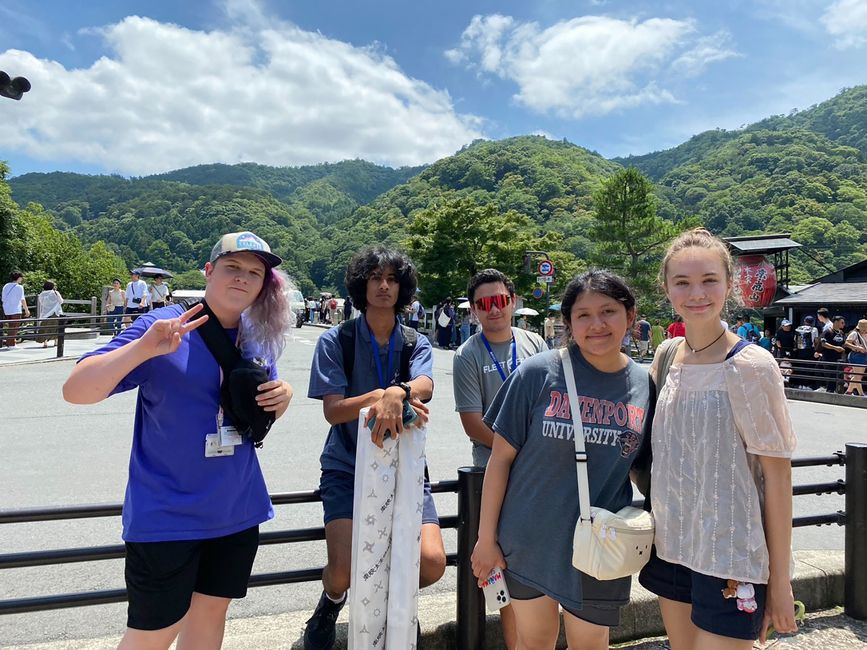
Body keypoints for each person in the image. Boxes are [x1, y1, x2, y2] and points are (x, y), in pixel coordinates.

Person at [62, 230, 295, 650]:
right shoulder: (162, 325)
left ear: (263, 285)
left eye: (254, 273)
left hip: (237, 509)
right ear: (208, 271)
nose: (242, 278)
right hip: (166, 515)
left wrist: (284, 397)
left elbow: (258, 408)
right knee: (152, 634)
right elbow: (76, 390)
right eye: (232, 267)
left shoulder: (256, 337)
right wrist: (142, 349)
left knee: (210, 619)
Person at [471, 269, 652, 650]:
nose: (596, 324)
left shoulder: (644, 385)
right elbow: (500, 461)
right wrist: (486, 539)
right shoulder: (538, 373)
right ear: (568, 322)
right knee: (534, 641)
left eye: (608, 311)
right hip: (530, 538)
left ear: (630, 315)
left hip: (602, 542)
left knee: (591, 643)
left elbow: (642, 467)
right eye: (583, 315)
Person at [639, 228, 797, 648]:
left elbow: (777, 477)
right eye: (683, 282)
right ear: (666, 288)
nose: (697, 294)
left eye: (709, 280)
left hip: (731, 555)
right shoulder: (666, 356)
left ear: (729, 284)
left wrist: (779, 581)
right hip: (671, 546)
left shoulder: (751, 365)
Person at [304, 245, 445, 650]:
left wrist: (397, 392)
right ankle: (331, 602)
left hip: (405, 466)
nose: (384, 286)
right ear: (360, 285)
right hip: (346, 465)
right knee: (345, 570)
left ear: (403, 289)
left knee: (433, 563)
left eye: (392, 279)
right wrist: (382, 396)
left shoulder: (414, 340)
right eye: (375, 278)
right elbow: (333, 412)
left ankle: (394, 606)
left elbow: (427, 385)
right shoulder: (337, 340)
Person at [453, 269, 547, 649]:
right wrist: (517, 451)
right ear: (474, 310)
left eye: (500, 301)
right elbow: (473, 423)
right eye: (483, 304)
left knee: (537, 571)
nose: (493, 309)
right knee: (503, 573)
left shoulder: (535, 342)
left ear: (513, 300)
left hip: (539, 474)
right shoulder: (467, 355)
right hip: (493, 474)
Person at [819, 316, 847, 393]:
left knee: (838, 376)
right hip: (828, 358)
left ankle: (835, 391)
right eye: (842, 322)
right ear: (835, 322)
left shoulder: (841, 333)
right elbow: (823, 343)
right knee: (831, 376)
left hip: (839, 359)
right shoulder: (827, 332)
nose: (844, 324)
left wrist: (855, 347)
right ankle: (829, 392)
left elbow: (845, 343)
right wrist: (835, 348)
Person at [2, 271, 30, 348]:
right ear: (19, 278)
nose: (22, 279)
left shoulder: (6, 286)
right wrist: (26, 310)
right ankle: (11, 344)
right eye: (21, 277)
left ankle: (11, 342)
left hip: (7, 309)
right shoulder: (19, 287)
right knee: (14, 327)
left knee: (11, 326)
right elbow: (22, 299)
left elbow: (3, 298)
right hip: (15, 309)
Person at [794, 315, 820, 390]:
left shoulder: (799, 328)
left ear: (805, 321)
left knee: (800, 366)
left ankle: (800, 384)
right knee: (809, 366)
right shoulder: (814, 329)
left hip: (800, 351)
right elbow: (816, 340)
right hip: (810, 350)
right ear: (813, 322)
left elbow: (795, 339)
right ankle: (807, 384)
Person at [36, 281, 64, 348]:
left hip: (45, 314)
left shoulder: (42, 294)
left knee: (45, 328)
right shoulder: (55, 293)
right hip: (56, 313)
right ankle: (55, 342)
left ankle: (45, 343)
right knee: (56, 328)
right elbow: (61, 301)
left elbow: (41, 303)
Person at [844, 319, 867, 396]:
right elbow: (847, 343)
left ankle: (848, 392)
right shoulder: (854, 333)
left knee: (858, 376)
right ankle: (861, 394)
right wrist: (857, 347)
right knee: (858, 376)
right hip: (856, 355)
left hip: (864, 356)